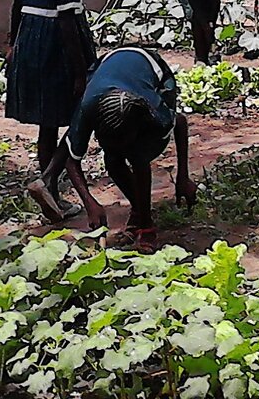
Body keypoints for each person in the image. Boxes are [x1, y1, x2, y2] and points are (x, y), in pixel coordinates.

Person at [29, 46, 195, 251]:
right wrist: (89, 202)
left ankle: (146, 225)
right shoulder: (89, 106)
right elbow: (72, 160)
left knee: (138, 156)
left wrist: (183, 177)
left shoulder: (153, 111)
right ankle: (140, 213)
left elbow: (179, 122)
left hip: (149, 66)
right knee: (113, 158)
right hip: (106, 65)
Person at [6, 0, 97, 217]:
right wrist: (79, 71)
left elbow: (17, 3)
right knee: (82, 115)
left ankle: (53, 198)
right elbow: (68, 20)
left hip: (30, 38)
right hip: (58, 45)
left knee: (48, 121)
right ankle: (49, 179)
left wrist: (13, 43)